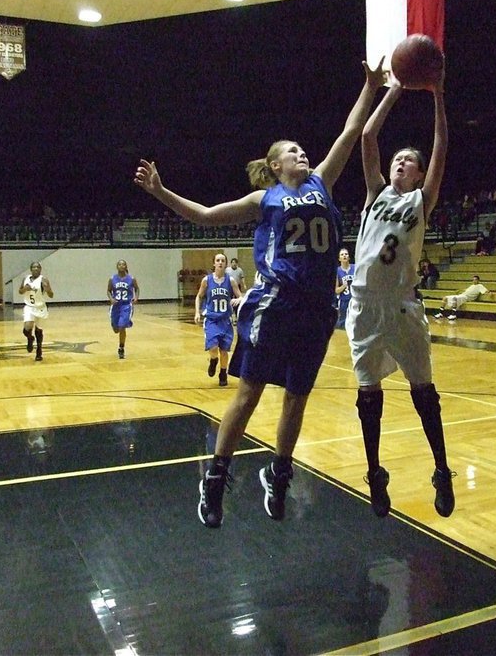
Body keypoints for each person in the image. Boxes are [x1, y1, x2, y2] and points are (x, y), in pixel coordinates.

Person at [134, 59, 386, 528]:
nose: (303, 153)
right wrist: (161, 192)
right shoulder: (263, 199)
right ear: (275, 165)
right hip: (275, 303)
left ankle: (280, 472)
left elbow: (350, 132)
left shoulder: (322, 182)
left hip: (317, 308)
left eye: (303, 149)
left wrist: (370, 87)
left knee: (297, 396)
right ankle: (215, 478)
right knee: (248, 392)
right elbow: (207, 216)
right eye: (293, 151)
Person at [345, 68, 456, 519]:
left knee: (423, 391)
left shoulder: (420, 201)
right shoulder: (375, 194)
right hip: (364, 306)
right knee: (368, 395)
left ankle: (442, 470)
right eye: (397, 159)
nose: (399, 163)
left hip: (403, 306)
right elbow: (369, 134)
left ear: (418, 173)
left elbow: (441, 147)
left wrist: (436, 96)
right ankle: (375, 473)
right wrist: (391, 90)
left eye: (408, 161)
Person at [195, 253, 241, 386]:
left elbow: (240, 296)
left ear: (225, 264)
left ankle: (223, 373)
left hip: (225, 320)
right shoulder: (207, 280)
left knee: (224, 351)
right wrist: (197, 312)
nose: (220, 262)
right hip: (211, 320)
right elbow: (199, 296)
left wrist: (237, 300)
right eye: (217, 260)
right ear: (214, 264)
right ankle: (213, 361)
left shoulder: (230, 281)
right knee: (213, 347)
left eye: (222, 260)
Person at [19, 262, 53, 362]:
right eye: (34, 267)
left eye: (38, 267)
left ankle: (39, 350)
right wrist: (25, 288)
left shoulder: (43, 280)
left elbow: (51, 295)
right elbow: (20, 291)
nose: (36, 268)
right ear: (31, 269)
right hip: (29, 307)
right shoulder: (25, 278)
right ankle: (30, 338)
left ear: (40, 269)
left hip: (40, 308)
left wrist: (47, 289)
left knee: (39, 330)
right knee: (27, 328)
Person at [107, 259, 139, 359]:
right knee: (116, 329)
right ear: (117, 267)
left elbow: (137, 288)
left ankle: (121, 347)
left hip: (126, 306)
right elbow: (108, 291)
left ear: (126, 266)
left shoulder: (131, 278)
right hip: (115, 306)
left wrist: (136, 297)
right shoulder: (112, 279)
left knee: (122, 326)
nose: (121, 266)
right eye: (120, 264)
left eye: (123, 264)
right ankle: (116, 328)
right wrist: (111, 298)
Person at [335, 247, 355, 330]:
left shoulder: (355, 267)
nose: (344, 256)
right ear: (339, 259)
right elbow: (336, 290)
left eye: (346, 254)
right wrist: (343, 286)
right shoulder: (337, 271)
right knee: (343, 323)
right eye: (342, 254)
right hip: (344, 301)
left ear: (349, 257)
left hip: (355, 300)